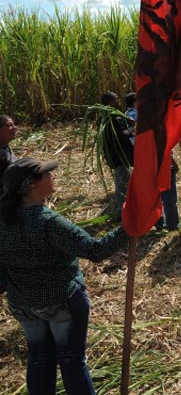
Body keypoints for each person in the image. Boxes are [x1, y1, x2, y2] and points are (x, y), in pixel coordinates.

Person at [0, 158, 129, 395]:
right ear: (32, 185)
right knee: (71, 361)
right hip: (60, 301)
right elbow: (95, 250)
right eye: (48, 175)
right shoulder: (47, 223)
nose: (53, 177)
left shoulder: (4, 220)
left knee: (39, 358)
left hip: (23, 304)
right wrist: (128, 229)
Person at [99, 92, 134, 221]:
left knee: (122, 182)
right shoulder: (115, 118)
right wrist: (131, 127)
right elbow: (122, 136)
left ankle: (124, 210)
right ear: (110, 103)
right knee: (123, 184)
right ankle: (123, 212)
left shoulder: (103, 117)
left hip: (113, 157)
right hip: (120, 157)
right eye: (116, 100)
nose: (118, 102)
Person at [0, 114, 19, 180]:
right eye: (9, 125)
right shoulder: (2, 157)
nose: (14, 128)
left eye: (14, 124)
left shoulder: (5, 148)